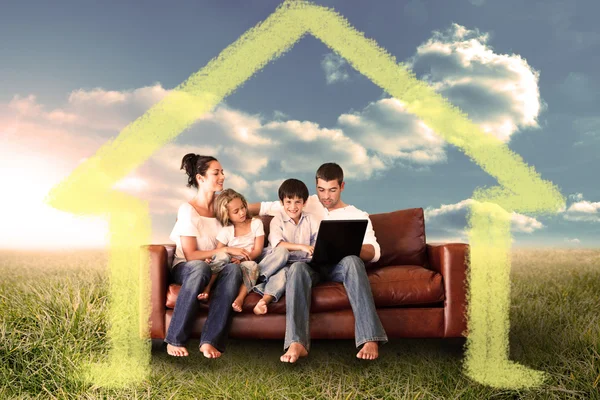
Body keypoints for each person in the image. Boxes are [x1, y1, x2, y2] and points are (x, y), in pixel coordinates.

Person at [249, 163, 388, 363]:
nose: (326, 196)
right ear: (315, 187)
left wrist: (347, 245)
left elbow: (375, 252)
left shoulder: (357, 215)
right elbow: (265, 206)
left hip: (339, 267)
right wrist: (227, 208)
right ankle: (297, 342)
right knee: (296, 268)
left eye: (332, 190)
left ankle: (369, 338)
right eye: (321, 190)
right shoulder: (306, 202)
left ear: (342, 186)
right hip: (310, 265)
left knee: (353, 261)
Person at [166, 153, 250, 359]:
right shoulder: (188, 210)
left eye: (222, 172)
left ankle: (210, 341)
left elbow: (251, 209)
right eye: (216, 173)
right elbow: (191, 254)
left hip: (215, 266)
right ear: (200, 178)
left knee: (233, 269)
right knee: (200, 267)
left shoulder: (223, 209)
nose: (222, 176)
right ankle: (174, 339)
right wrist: (225, 250)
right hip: (188, 267)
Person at [252, 178, 319, 315]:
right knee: (282, 251)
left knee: (283, 273)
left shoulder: (311, 219)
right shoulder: (277, 220)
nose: (293, 207)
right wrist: (301, 247)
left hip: (294, 265)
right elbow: (278, 244)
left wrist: (314, 250)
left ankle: (264, 300)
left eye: (297, 202)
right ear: (282, 202)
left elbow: (317, 243)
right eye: (288, 202)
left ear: (304, 203)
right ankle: (258, 275)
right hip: (274, 261)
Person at [198, 188, 265, 313]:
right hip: (228, 266)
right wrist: (214, 259)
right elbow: (218, 252)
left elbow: (258, 250)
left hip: (247, 262)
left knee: (253, 266)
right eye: (236, 211)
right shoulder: (226, 231)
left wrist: (242, 260)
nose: (242, 212)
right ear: (227, 215)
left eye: (243, 207)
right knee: (222, 256)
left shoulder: (256, 223)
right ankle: (207, 288)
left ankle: (240, 298)